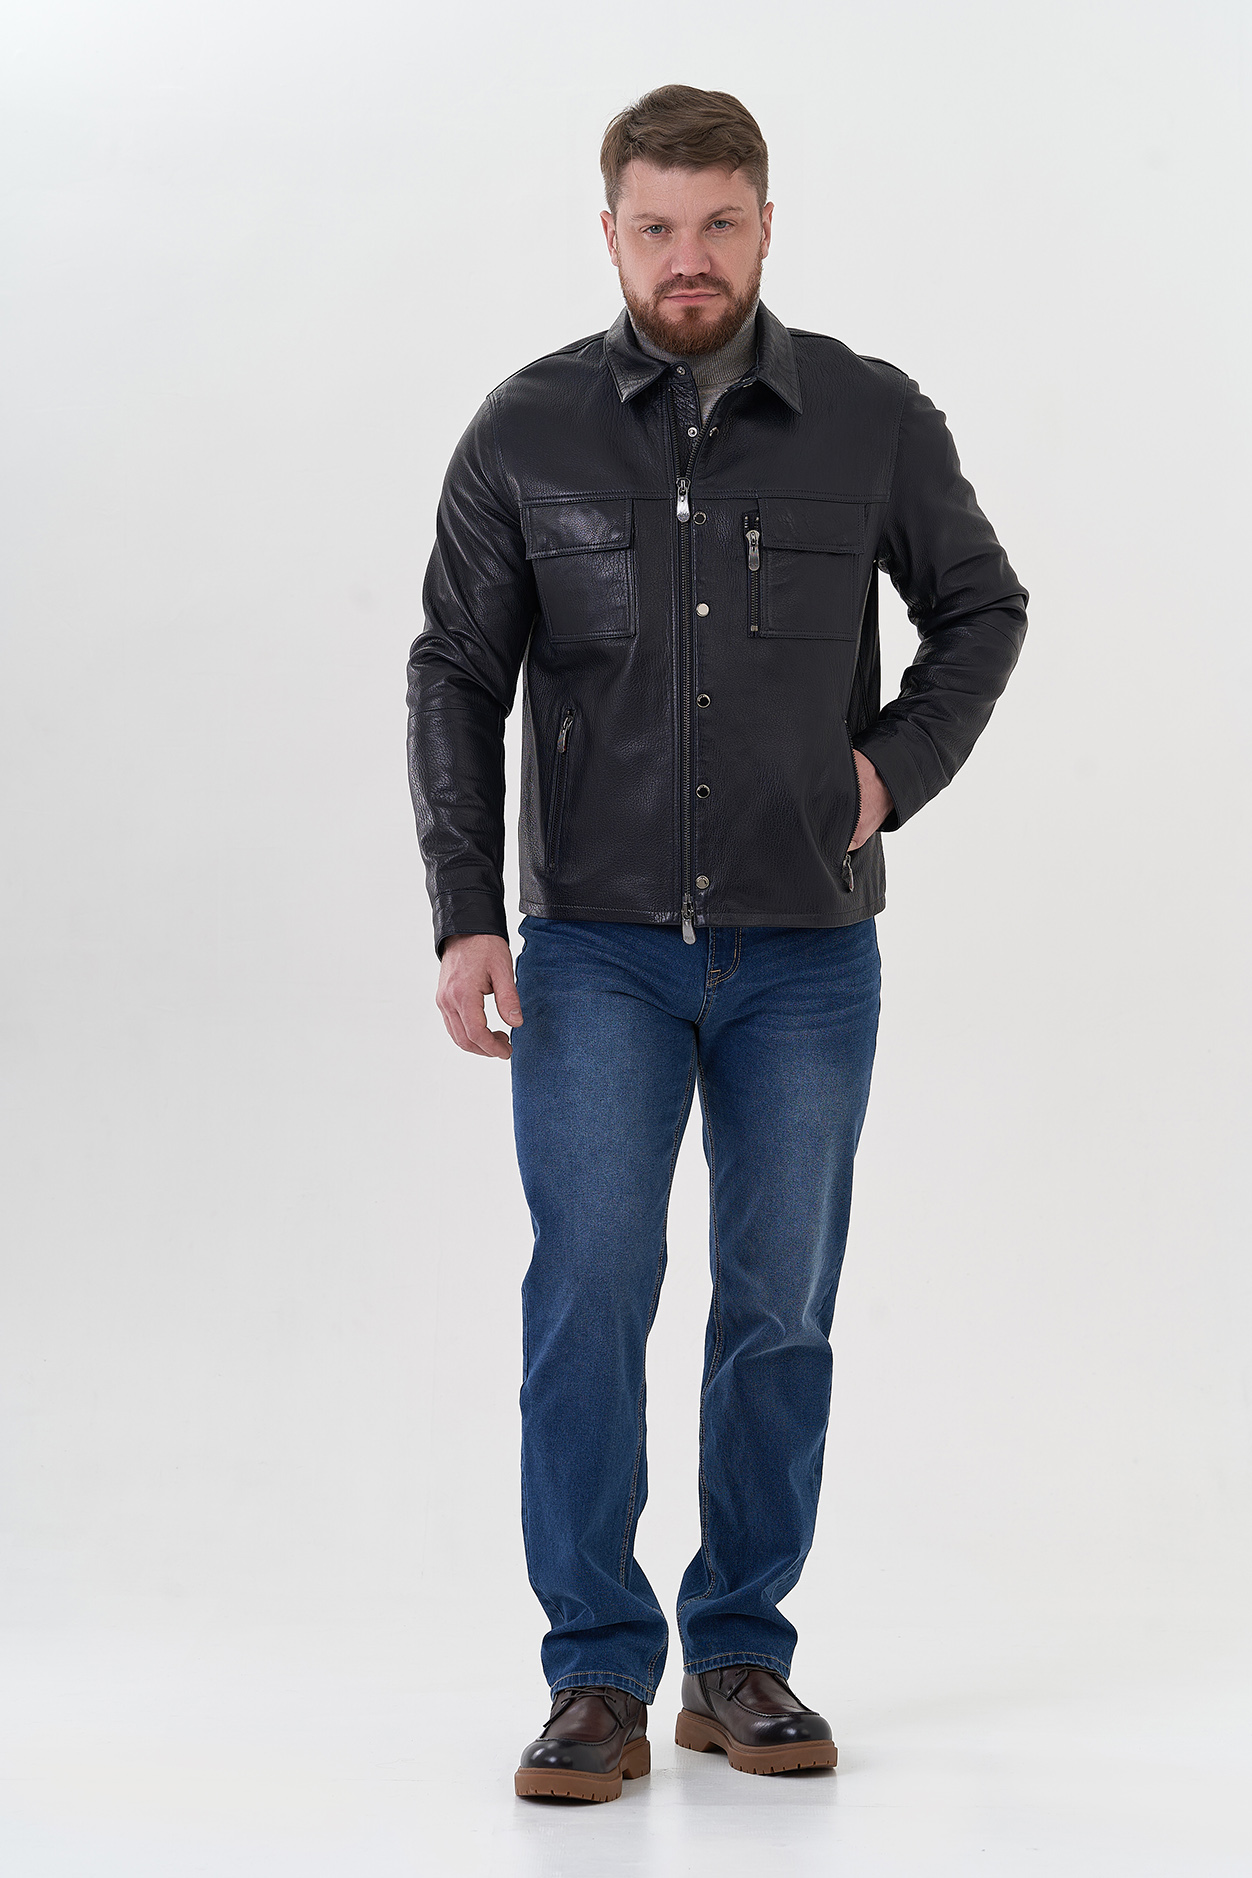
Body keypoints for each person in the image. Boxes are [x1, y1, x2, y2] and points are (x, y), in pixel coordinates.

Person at [406, 83, 1028, 1803]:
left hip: (807, 954)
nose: (690, 258)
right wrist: (466, 909)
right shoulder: (524, 429)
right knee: (589, 1294)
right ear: (610, 233)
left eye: (721, 224)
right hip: (596, 950)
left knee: (778, 1307)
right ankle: (596, 1671)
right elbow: (455, 669)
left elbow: (982, 607)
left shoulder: (871, 417)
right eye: (657, 227)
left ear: (766, 225)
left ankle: (738, 1647)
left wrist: (889, 771)